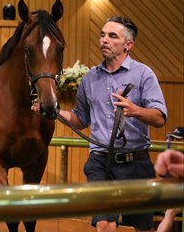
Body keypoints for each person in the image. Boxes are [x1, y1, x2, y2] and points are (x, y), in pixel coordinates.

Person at [33, 16, 167, 232]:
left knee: (142, 228)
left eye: (112, 36)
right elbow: (80, 118)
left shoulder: (144, 74)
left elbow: (160, 117)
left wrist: (136, 111)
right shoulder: (89, 79)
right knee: (104, 224)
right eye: (102, 34)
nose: (104, 39)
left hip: (136, 162)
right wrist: (53, 111)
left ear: (128, 45)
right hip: (100, 163)